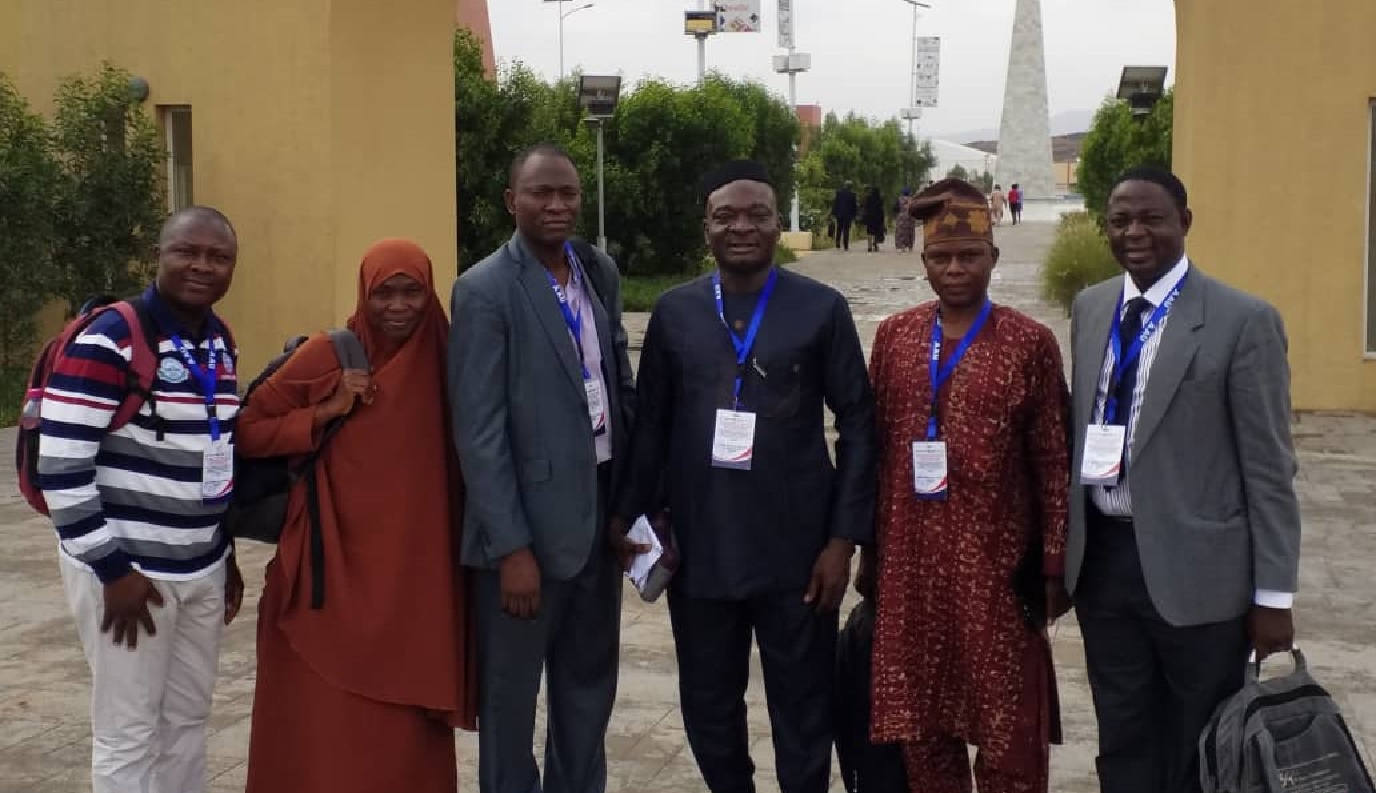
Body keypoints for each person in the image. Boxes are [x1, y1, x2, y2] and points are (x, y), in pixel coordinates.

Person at [615, 160, 877, 793]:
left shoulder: (820, 308)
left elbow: (860, 424)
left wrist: (842, 542)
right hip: (703, 551)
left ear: (777, 221)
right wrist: (623, 520)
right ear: (705, 225)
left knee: (803, 710)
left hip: (799, 556)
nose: (742, 227)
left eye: (757, 214)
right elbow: (650, 425)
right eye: (725, 215)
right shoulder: (676, 313)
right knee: (708, 710)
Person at [1065, 167, 1302, 793]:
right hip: (1105, 566)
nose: (1135, 232)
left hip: (1200, 575)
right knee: (1122, 735)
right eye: (1120, 220)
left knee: (1199, 744)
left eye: (1151, 218)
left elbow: (1271, 466)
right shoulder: (1090, 309)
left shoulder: (1241, 320)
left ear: (1185, 223)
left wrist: (1274, 596)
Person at [238, 239, 477, 793]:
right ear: (363, 294)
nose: (398, 306)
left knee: (405, 728)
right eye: (383, 293)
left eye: (412, 291)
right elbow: (247, 431)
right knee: (325, 729)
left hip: (418, 580)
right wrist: (323, 412)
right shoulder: (331, 354)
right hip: (332, 578)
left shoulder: (451, 356)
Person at [865, 178, 1071, 793]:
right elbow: (874, 455)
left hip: (997, 572)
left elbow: (1053, 459)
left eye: (969, 256)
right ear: (924, 262)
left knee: (1010, 737)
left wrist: (1054, 566)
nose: (955, 268)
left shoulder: (1029, 343)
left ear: (993, 259)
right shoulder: (895, 338)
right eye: (941, 257)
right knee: (924, 733)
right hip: (911, 571)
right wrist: (870, 554)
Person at [36, 206, 245, 793]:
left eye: (219, 256)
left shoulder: (219, 341)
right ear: (160, 255)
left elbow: (212, 455)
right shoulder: (111, 337)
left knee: (187, 723)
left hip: (198, 570)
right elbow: (60, 466)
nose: (202, 266)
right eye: (188, 252)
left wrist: (222, 554)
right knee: (128, 734)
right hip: (128, 576)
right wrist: (112, 570)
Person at [449, 143, 638, 793]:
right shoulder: (484, 289)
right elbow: (479, 432)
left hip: (597, 531)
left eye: (568, 194)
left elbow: (619, 389)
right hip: (523, 547)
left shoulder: (597, 273)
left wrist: (628, 507)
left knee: (587, 698)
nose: (557, 205)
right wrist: (512, 548)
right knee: (510, 707)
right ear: (512, 201)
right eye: (541, 193)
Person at [832, 180, 859, 251]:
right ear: (850, 187)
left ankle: (837, 242)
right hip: (848, 215)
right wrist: (855, 215)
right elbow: (854, 206)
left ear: (844, 186)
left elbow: (835, 204)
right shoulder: (853, 195)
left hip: (839, 214)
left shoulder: (839, 193)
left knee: (839, 228)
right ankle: (845, 245)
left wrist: (833, 213)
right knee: (846, 229)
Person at [863, 186, 887, 252]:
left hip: (870, 217)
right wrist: (882, 218)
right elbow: (881, 209)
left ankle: (869, 247)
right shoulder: (880, 199)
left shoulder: (868, 198)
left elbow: (866, 207)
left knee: (869, 232)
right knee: (876, 232)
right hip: (878, 217)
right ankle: (876, 245)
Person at [894, 188, 917, 252]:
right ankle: (910, 247)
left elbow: (895, 208)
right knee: (910, 232)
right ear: (909, 193)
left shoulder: (899, 199)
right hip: (910, 217)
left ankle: (902, 246)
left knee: (901, 232)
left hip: (901, 217)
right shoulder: (912, 200)